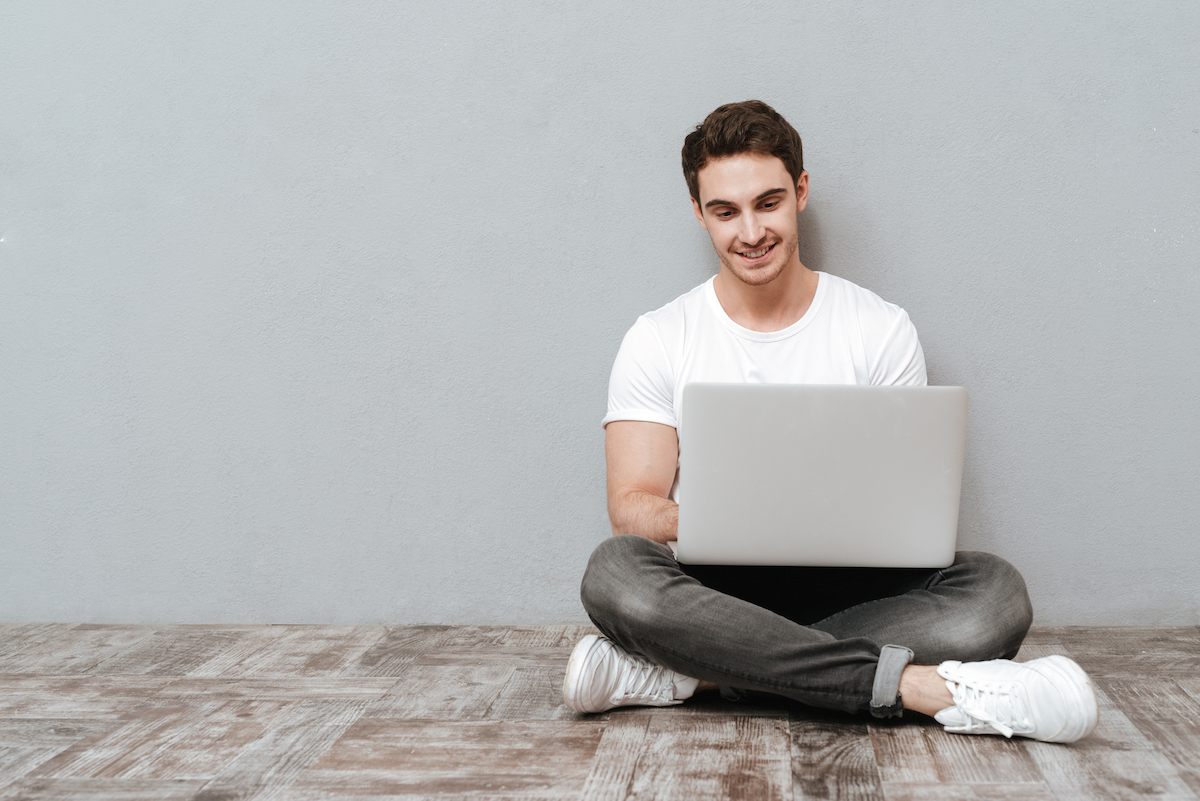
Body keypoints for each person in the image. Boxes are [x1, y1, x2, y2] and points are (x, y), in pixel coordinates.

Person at [561, 100, 1099, 743]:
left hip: (855, 593)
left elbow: (909, 511)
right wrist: (746, 520)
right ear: (699, 214)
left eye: (768, 203)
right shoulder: (659, 338)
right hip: (711, 594)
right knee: (615, 572)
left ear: (801, 192)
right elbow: (633, 509)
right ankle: (920, 688)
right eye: (726, 212)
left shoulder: (879, 328)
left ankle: (694, 675)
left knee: (996, 595)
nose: (751, 232)